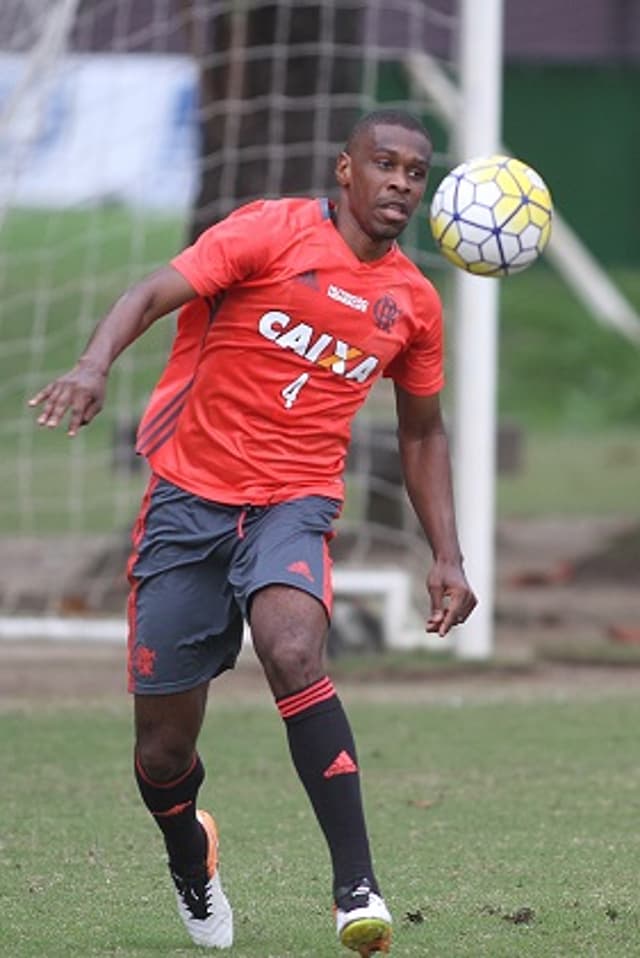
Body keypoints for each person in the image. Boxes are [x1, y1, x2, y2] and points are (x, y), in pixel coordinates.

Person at [30, 109, 477, 956]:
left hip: (294, 503)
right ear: (344, 169)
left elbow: (423, 432)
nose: (400, 184)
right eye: (383, 164)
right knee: (162, 752)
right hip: (187, 500)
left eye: (415, 173)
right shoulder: (267, 232)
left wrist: (447, 554)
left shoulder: (412, 305)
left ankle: (357, 889)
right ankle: (190, 854)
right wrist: (93, 364)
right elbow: (151, 293)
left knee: (294, 647)